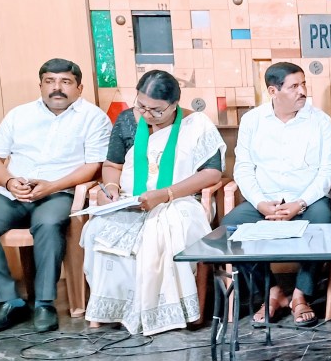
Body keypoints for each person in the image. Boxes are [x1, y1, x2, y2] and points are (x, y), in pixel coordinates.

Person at [0, 58, 111, 332]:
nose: (57, 88)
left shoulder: (93, 117)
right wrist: (9, 181)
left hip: (59, 193)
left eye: (65, 82)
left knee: (48, 224)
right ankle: (10, 302)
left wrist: (52, 186)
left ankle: (44, 303)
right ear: (40, 85)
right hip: (15, 192)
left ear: (79, 88)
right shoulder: (19, 115)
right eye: (50, 81)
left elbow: (94, 166)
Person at [81, 70, 226, 336]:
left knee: (164, 232)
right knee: (97, 230)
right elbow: (112, 165)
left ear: (174, 104)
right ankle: (116, 308)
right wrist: (111, 188)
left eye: (157, 110)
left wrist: (165, 194)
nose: (147, 115)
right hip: (130, 199)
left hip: (181, 199)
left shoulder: (196, 124)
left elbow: (212, 173)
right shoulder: (127, 120)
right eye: (142, 106)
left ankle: (165, 311)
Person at [222, 62, 331, 327]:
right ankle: (272, 292)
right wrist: (260, 203)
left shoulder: (319, 120)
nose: (302, 91)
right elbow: (243, 168)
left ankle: (300, 295)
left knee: (324, 225)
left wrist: (300, 203)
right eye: (294, 86)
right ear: (273, 91)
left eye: (303, 84)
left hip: (307, 201)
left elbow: (328, 170)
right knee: (229, 228)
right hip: (265, 201)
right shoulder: (252, 120)